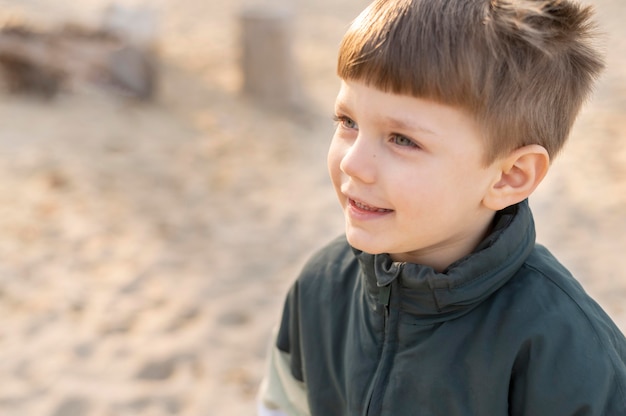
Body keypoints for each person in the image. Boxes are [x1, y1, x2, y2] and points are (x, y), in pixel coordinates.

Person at [257, 0, 626, 414]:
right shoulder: (321, 287)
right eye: (348, 121)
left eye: (403, 139)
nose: (352, 163)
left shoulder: (566, 349)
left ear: (509, 176)